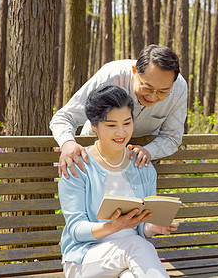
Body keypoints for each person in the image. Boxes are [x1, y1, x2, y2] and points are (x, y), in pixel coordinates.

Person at [58, 85, 179, 278]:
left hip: (132, 260)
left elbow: (142, 227)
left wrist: (153, 226)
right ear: (94, 126)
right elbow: (75, 229)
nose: (121, 132)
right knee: (137, 245)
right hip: (86, 259)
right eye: (111, 125)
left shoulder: (143, 166)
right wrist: (112, 227)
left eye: (127, 123)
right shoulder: (77, 166)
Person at [50, 44, 188, 178]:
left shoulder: (179, 88)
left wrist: (149, 151)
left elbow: (172, 137)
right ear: (135, 71)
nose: (152, 97)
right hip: (93, 158)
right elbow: (64, 117)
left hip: (139, 166)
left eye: (162, 92)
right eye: (147, 88)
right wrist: (67, 143)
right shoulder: (111, 77)